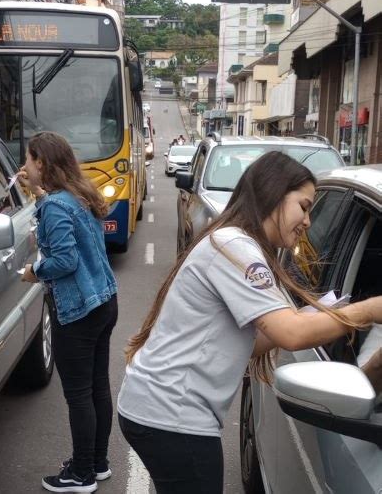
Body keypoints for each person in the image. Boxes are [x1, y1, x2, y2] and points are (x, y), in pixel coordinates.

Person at [117, 151, 382, 494]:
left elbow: (245, 341)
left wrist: (300, 319)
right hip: (173, 418)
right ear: (273, 192)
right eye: (303, 207)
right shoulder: (236, 247)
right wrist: (370, 310)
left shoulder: (233, 242)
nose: (308, 222)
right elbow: (291, 335)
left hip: (159, 409)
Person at [19, 131, 118, 494]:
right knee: (97, 387)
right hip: (104, 302)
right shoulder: (78, 195)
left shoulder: (56, 206)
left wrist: (34, 273)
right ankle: (97, 463)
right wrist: (38, 194)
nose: (25, 165)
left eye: (29, 159)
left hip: (78, 310)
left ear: (41, 162)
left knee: (79, 395)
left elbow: (64, 260)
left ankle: (81, 475)